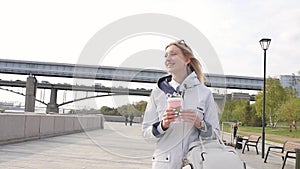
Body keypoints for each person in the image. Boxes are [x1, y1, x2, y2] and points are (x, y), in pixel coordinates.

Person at [142, 40, 220, 169]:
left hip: (195, 163)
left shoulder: (204, 93)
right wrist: (162, 125)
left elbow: (215, 135)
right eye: (166, 55)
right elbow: (146, 134)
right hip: (164, 164)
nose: (168, 59)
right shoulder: (157, 92)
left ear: (187, 60)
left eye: (173, 54)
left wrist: (200, 124)